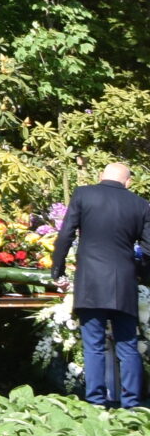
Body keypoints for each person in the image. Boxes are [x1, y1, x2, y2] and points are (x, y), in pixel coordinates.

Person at [50, 162, 147, 409]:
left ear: (101, 176)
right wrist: (138, 273)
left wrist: (57, 269)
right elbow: (148, 250)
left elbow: (66, 234)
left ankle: (95, 402)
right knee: (128, 346)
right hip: (124, 282)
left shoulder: (84, 193)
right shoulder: (140, 204)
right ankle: (132, 405)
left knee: (93, 345)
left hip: (91, 281)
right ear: (128, 182)